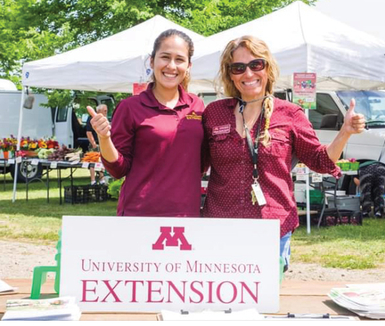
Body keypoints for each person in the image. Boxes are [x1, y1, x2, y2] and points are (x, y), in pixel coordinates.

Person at [202, 35, 365, 271]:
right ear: (230, 75)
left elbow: (320, 161)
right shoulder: (214, 113)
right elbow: (193, 164)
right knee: (220, 299)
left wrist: (345, 132)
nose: (248, 74)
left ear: (267, 68)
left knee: (264, 301)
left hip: (272, 225)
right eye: (238, 67)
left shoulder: (290, 114)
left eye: (256, 64)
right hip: (221, 224)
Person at [87, 29, 204, 217]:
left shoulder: (197, 106)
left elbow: (201, 160)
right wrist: (104, 138)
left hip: (186, 213)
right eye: (165, 57)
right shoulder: (130, 107)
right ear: (152, 61)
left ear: (189, 65)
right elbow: (118, 169)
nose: (171, 66)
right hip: (141, 213)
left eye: (179, 59)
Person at [86, 104, 107, 185]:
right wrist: (93, 143)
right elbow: (88, 132)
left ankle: (102, 180)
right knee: (93, 162)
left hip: (102, 144)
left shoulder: (104, 119)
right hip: (95, 144)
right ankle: (93, 180)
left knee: (102, 161)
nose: (106, 112)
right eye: (104, 110)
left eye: (106, 110)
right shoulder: (91, 118)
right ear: (98, 111)